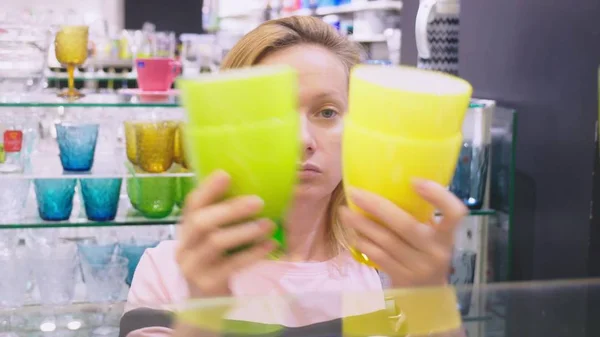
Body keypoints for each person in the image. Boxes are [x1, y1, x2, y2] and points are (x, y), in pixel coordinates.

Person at [123, 15, 467, 337]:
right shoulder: (167, 272)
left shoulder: (384, 268)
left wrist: (430, 300)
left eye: (327, 112)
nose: (302, 140)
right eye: (273, 113)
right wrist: (203, 312)